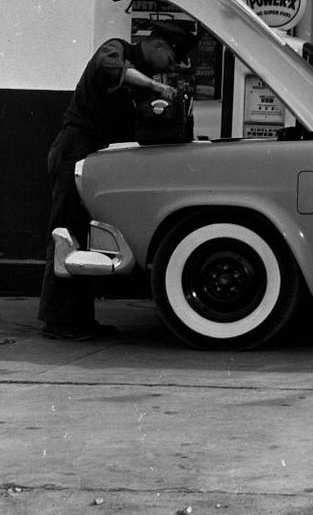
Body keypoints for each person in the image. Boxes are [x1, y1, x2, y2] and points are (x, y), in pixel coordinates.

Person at [38, 19, 197, 340]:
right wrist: (156, 89)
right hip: (76, 151)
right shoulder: (116, 49)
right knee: (68, 232)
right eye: (170, 59)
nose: (169, 68)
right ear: (157, 46)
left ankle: (78, 319)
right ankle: (59, 321)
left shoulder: (145, 75)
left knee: (86, 234)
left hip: (100, 160)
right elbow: (110, 67)